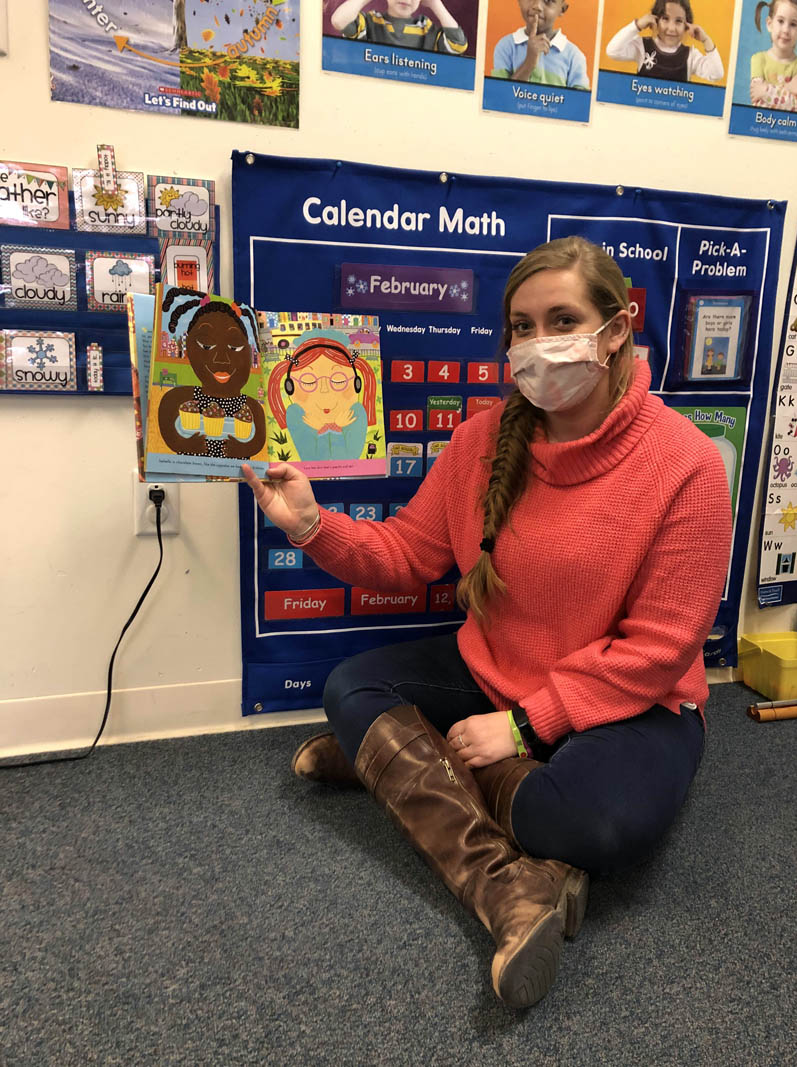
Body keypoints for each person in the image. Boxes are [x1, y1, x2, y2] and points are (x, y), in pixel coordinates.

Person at [242, 236, 732, 1009]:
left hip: (637, 703)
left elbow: (659, 649)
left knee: (590, 826)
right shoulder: (479, 441)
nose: (539, 344)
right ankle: (509, 889)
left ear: (617, 327)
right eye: (521, 326)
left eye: (562, 318)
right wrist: (310, 526)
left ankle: (405, 765)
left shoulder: (688, 464)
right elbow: (405, 555)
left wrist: (525, 727)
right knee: (351, 685)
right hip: (492, 671)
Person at [157, 289, 265, 460]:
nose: (221, 359)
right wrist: (183, 443)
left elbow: (257, 442)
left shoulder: (252, 408)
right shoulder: (179, 398)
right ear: (189, 349)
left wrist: (244, 448)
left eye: (235, 347)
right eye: (206, 345)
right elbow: (168, 431)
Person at [264, 329, 378, 461]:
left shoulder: (356, 413)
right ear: (290, 387)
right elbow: (311, 459)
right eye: (308, 381)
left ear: (357, 384)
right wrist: (323, 430)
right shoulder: (296, 414)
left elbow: (348, 460)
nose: (325, 390)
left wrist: (335, 429)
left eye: (339, 380)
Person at [606, 0, 723, 82]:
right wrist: (637, 25)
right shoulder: (642, 46)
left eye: (678, 21)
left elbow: (716, 74)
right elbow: (612, 51)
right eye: (665, 19)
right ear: (655, 20)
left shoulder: (691, 56)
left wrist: (706, 40)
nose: (671, 28)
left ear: (687, 26)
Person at [491, 0, 590, 88]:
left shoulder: (574, 57)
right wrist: (529, 62)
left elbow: (579, 104)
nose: (537, 6)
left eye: (548, 1)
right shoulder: (506, 47)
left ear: (562, 9)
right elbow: (500, 96)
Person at [330, 0, 468, 55]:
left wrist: (435, 4)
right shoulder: (369, 22)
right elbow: (338, 21)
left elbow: (458, 45)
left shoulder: (427, 29)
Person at [750, 0, 797, 110]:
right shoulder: (758, 60)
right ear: (769, 24)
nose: (786, 30)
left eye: (793, 24)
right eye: (781, 21)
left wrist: (765, 91)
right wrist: (788, 88)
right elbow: (759, 102)